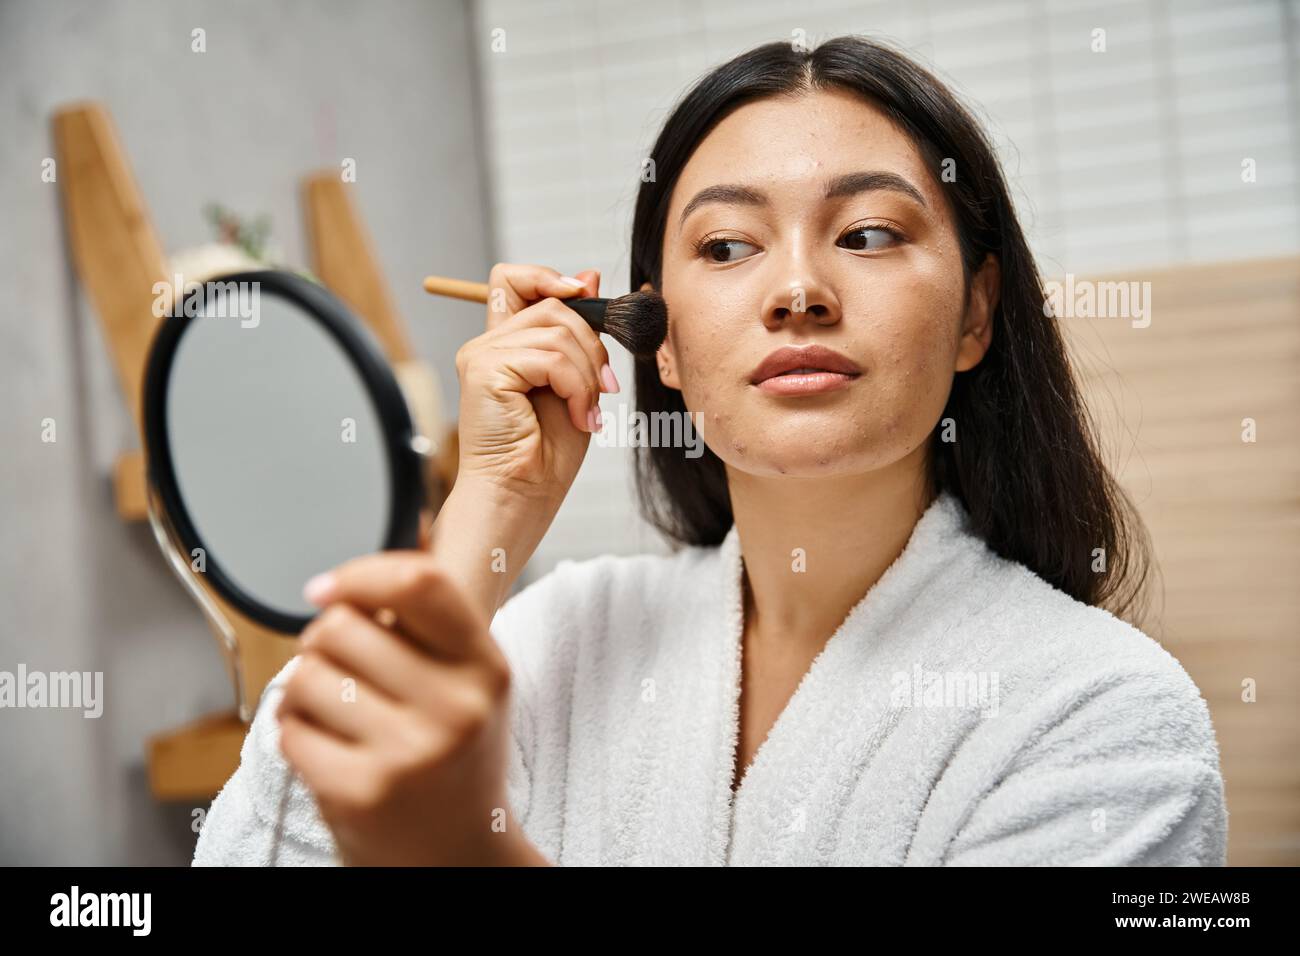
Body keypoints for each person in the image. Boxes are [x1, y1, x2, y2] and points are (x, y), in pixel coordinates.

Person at [193, 35, 1227, 867]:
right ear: (662, 337)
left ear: (975, 313)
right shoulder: (552, 637)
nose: (797, 289)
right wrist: (488, 510)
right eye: (726, 246)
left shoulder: (1103, 712)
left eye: (866, 234)